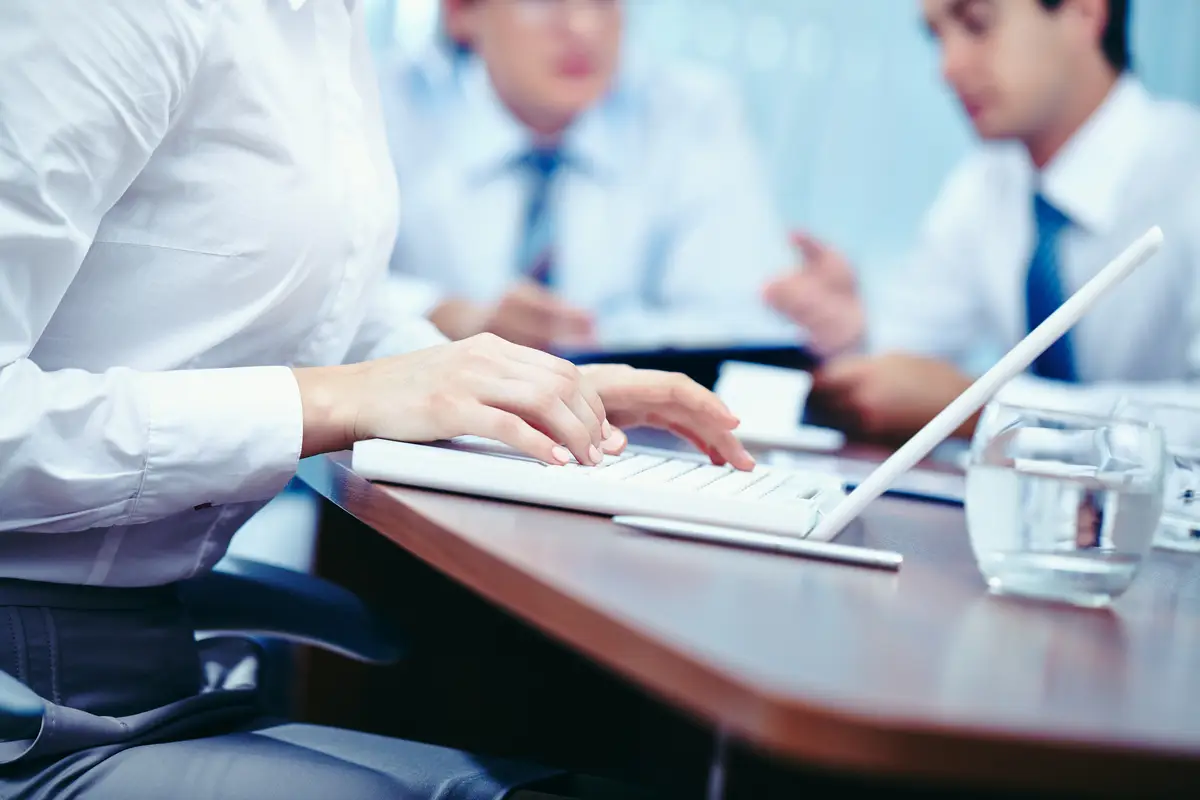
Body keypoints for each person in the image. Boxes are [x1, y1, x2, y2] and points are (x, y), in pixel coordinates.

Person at [0, 0, 755, 796]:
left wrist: (515, 387)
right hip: (33, 701)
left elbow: (322, 311)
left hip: (149, 660)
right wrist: (336, 400)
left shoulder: (323, 22)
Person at [765, 0, 1200, 442]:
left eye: (977, 24)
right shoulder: (987, 182)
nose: (947, 69)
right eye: (937, 38)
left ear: (1084, 13)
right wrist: (855, 333)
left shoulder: (1189, 177)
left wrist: (985, 407)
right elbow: (909, 357)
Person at [378, 0, 797, 352]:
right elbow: (339, 297)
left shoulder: (690, 112)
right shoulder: (382, 106)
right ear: (462, 11)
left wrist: (594, 339)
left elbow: (741, 315)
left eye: (603, 1)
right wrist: (444, 315)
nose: (583, 27)